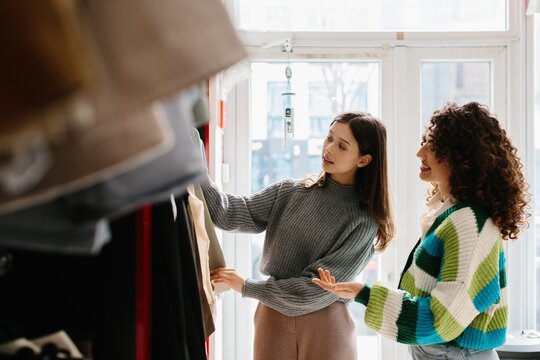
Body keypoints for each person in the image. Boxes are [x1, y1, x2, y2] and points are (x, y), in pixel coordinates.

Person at [313, 102, 530, 360]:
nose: (419, 152)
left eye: (431, 145)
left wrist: (366, 295)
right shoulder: (452, 214)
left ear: (460, 156)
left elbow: (440, 320)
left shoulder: (468, 224)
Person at [204, 112, 395, 360]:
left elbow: (313, 290)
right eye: (329, 138)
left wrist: (245, 286)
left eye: (342, 146)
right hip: (272, 317)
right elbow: (228, 213)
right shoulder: (290, 191)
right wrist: (195, 171)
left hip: (325, 322)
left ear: (363, 160)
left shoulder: (363, 222)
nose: (329, 149)